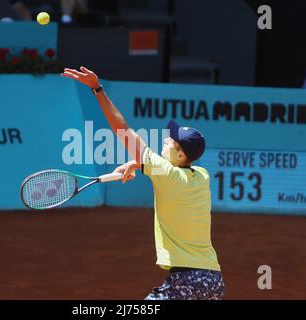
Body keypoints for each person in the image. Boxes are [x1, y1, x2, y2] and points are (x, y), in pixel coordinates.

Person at [61, 67, 224, 300]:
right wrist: (137, 165)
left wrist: (97, 89)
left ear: (180, 155)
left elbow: (123, 131)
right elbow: (164, 170)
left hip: (187, 283)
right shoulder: (201, 175)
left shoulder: (168, 174)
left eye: (172, 140)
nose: (166, 139)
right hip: (214, 282)